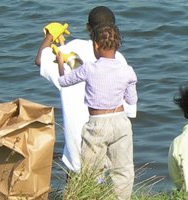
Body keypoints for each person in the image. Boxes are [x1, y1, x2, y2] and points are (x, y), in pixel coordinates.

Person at [34, 6, 136, 173]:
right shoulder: (119, 60)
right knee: (104, 180)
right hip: (110, 131)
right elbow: (129, 106)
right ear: (114, 29)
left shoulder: (70, 50)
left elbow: (40, 61)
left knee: (77, 182)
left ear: (88, 27)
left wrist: (50, 36)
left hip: (77, 136)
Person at [57, 23, 137, 200]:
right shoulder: (127, 71)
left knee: (92, 171)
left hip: (97, 124)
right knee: (123, 170)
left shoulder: (89, 68)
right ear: (118, 46)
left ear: (96, 45)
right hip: (121, 122)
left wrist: (61, 63)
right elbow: (132, 100)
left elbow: (63, 82)